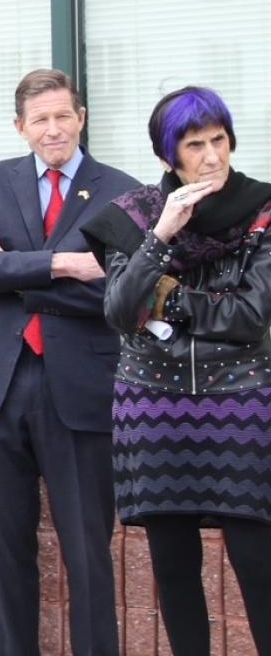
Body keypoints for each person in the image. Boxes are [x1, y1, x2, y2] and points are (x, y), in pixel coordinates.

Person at [0, 69, 137, 656]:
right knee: (6, 548)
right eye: (40, 119)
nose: (53, 129)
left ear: (81, 118)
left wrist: (15, 268)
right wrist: (61, 265)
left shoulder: (123, 191)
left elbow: (118, 292)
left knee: (87, 550)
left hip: (80, 390)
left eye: (62, 116)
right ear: (20, 126)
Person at [81, 87, 271, 655]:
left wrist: (168, 301)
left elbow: (251, 315)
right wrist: (160, 236)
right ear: (168, 156)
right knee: (174, 566)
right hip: (153, 404)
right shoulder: (136, 216)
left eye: (219, 140)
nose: (212, 156)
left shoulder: (263, 210)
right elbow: (120, 311)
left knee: (258, 562)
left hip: (241, 398)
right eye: (195, 145)